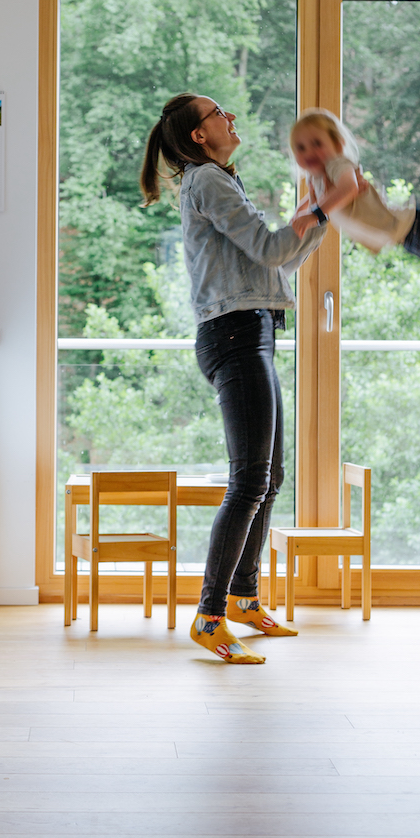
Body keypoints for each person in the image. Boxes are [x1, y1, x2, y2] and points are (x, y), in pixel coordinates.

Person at [140, 93, 327, 663]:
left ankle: (245, 601)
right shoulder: (207, 182)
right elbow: (273, 249)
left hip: (254, 331)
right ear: (198, 135)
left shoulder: (223, 182)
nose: (231, 119)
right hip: (234, 336)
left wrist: (321, 213)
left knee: (270, 476)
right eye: (219, 113)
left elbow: (279, 261)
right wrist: (322, 208)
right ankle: (210, 614)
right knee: (248, 480)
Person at [290, 107, 420, 275]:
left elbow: (348, 188)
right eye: (300, 147)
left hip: (415, 227)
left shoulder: (338, 166)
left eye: (317, 143)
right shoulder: (319, 179)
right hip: (408, 236)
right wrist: (298, 215)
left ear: (337, 144)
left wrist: (313, 216)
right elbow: (314, 200)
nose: (309, 152)